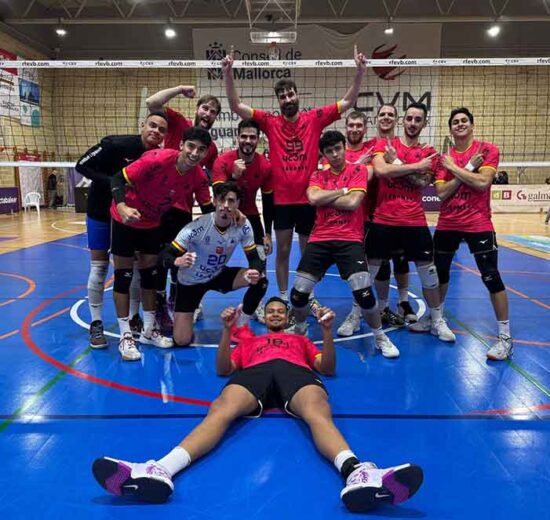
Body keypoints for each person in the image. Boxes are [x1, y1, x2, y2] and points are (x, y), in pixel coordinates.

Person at [91, 298, 424, 512]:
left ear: (288, 317)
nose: (276, 314)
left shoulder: (300, 340)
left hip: (295, 371)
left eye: (281, 311)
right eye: (271, 311)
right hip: (255, 372)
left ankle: (357, 473)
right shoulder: (249, 341)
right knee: (221, 409)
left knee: (317, 412)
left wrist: (325, 332)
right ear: (264, 317)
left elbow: (327, 368)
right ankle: (161, 470)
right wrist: (226, 332)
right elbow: (224, 369)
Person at [221, 45, 367, 315]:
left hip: (309, 199)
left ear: (297, 95)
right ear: (279, 101)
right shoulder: (270, 122)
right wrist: (228, 74)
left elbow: (347, 103)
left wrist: (360, 72)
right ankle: (284, 297)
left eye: (290, 94)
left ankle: (307, 296)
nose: (287, 99)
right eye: (282, 96)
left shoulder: (314, 119)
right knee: (284, 251)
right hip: (282, 202)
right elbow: (235, 106)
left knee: (309, 254)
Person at [290, 130, 400, 358]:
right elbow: (313, 198)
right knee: (298, 294)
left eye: (338, 149)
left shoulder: (358, 170)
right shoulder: (317, 175)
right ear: (324, 154)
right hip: (320, 238)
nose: (335, 154)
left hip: (349, 239)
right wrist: (342, 189)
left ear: (344, 148)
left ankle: (380, 336)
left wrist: (326, 196)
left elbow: (353, 203)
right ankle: (300, 330)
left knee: (364, 294)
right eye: (329, 151)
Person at [109, 127, 212, 361]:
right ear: (181, 145)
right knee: (123, 276)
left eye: (201, 150)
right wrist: (123, 207)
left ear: (206, 153)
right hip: (125, 218)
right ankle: (125, 335)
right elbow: (117, 178)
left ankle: (149, 330)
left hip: (152, 223)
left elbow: (208, 209)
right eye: (191, 146)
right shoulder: (157, 159)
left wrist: (231, 218)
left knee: (151, 276)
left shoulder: (198, 176)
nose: (194, 153)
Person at [75, 112, 168, 348]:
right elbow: (81, 165)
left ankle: (134, 317)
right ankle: (96, 323)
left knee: (133, 269)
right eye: (152, 125)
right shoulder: (116, 145)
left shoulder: (158, 156)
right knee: (99, 267)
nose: (156, 131)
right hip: (101, 211)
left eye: (161, 129)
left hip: (130, 216)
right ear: (143, 126)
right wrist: (115, 183)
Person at [369, 102, 455, 342]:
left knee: (428, 271)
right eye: (409, 118)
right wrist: (414, 166)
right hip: (384, 217)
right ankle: (359, 313)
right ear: (402, 121)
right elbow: (381, 171)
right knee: (371, 269)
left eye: (418, 119)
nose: (413, 123)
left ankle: (437, 320)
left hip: (414, 219)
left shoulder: (430, 152)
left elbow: (421, 183)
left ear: (424, 124)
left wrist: (396, 164)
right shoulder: (385, 145)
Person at [434, 107, 512, 360]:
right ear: (450, 129)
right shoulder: (444, 159)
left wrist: (455, 169)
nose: (460, 124)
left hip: (478, 222)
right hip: (448, 223)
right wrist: (468, 167)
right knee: (439, 274)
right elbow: (441, 193)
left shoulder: (487, 150)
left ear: (472, 125)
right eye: (455, 122)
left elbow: (482, 183)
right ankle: (436, 319)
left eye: (464, 120)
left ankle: (505, 338)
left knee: (491, 277)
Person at [146, 86, 222, 326]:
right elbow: (152, 103)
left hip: (183, 210)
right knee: (157, 259)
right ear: (197, 109)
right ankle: (157, 304)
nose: (208, 113)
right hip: (158, 205)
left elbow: (210, 182)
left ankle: (175, 301)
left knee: (179, 260)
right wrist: (180, 89)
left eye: (213, 111)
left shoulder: (211, 148)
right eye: (205, 108)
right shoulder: (179, 123)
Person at [158, 182, 268, 347]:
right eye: (222, 200)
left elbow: (254, 257)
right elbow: (164, 255)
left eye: (231, 201)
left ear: (237, 204)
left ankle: (240, 324)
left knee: (261, 280)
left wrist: (255, 271)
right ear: (215, 201)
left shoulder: (242, 225)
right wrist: (176, 261)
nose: (226, 206)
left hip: (217, 274)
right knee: (181, 340)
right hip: (190, 282)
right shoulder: (197, 227)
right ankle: (188, 312)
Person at [337, 106, 414, 338]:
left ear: (365, 128)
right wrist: (358, 166)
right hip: (348, 221)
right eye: (351, 125)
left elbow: (378, 173)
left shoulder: (378, 148)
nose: (354, 129)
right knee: (359, 270)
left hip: (378, 217)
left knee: (383, 265)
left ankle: (381, 308)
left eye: (359, 125)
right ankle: (357, 312)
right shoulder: (343, 151)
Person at [212, 119, 274, 322]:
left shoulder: (264, 165)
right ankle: (195, 304)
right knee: (206, 260)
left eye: (252, 137)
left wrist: (267, 233)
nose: (248, 140)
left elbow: (268, 201)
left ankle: (256, 303)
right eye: (244, 136)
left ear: (258, 139)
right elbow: (219, 196)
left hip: (251, 217)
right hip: (223, 216)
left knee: (260, 263)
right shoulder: (223, 161)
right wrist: (234, 176)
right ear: (237, 137)